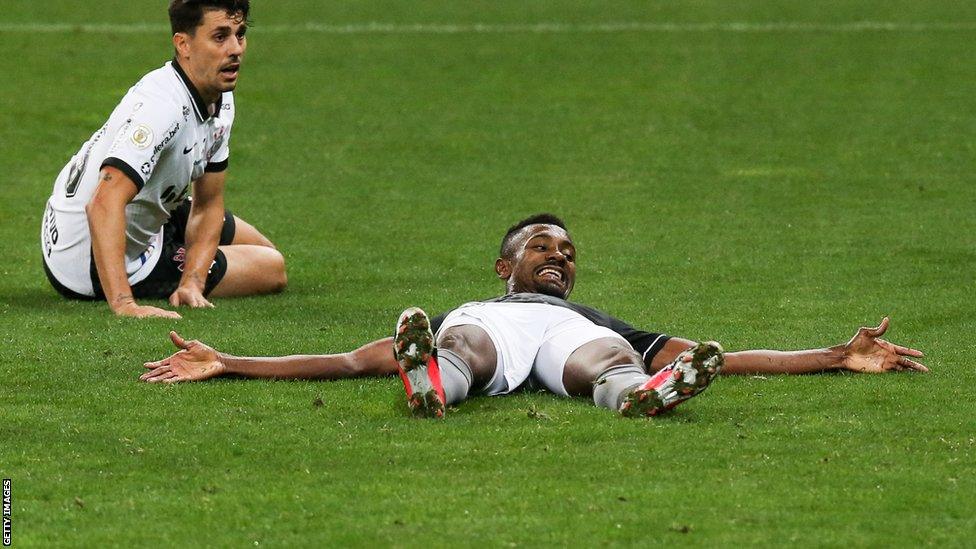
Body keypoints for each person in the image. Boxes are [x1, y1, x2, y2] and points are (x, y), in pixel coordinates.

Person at [140, 214, 927, 419]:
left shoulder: (591, 311)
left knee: (609, 361)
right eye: (541, 246)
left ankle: (646, 394)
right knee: (470, 343)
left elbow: (729, 351)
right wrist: (232, 359)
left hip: (570, 341)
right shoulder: (476, 304)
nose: (559, 255)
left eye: (568, 250)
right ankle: (434, 381)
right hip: (487, 329)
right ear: (505, 264)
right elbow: (350, 359)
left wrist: (832, 353)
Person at [40, 0, 286, 319]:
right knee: (272, 268)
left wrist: (193, 282)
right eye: (220, 36)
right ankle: (151, 269)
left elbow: (208, 203)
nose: (236, 49)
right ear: (183, 44)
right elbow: (103, 203)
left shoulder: (219, 97)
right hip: (83, 257)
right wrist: (125, 305)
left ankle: (181, 259)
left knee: (264, 249)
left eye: (240, 34)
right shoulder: (162, 109)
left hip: (149, 212)